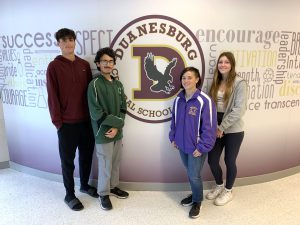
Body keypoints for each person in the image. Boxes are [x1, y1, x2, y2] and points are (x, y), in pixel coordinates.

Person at [46, 28, 98, 211]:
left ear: (75, 42)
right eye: (63, 40)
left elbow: (91, 95)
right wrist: (58, 123)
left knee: (85, 156)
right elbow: (52, 96)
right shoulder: (54, 66)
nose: (68, 43)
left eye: (71, 39)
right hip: (66, 124)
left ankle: (84, 184)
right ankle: (69, 194)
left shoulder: (84, 64)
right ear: (58, 43)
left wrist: (93, 120)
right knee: (67, 161)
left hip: (86, 122)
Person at [169, 67, 217, 219]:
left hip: (197, 147)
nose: (186, 81)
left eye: (190, 77)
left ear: (197, 80)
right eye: (183, 78)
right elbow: (174, 121)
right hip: (182, 145)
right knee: (190, 173)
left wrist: (202, 147)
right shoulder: (178, 100)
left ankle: (197, 201)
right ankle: (195, 194)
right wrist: (173, 138)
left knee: (194, 175)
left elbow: (209, 127)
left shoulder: (205, 101)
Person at [87, 47, 128, 211]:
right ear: (98, 63)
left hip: (117, 132)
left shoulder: (118, 84)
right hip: (103, 132)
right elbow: (96, 112)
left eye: (110, 61)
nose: (107, 64)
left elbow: (123, 108)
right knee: (105, 164)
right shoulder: (94, 84)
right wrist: (114, 125)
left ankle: (113, 186)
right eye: (104, 61)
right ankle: (103, 193)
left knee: (116, 161)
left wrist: (118, 127)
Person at [206, 51, 247, 206]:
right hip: (214, 126)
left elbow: (239, 109)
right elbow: (207, 106)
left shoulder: (239, 82)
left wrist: (222, 127)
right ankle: (219, 185)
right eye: (220, 62)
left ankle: (228, 190)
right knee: (212, 160)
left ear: (232, 65)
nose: (223, 64)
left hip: (233, 129)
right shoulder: (213, 82)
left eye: (227, 62)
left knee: (229, 160)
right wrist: (212, 126)